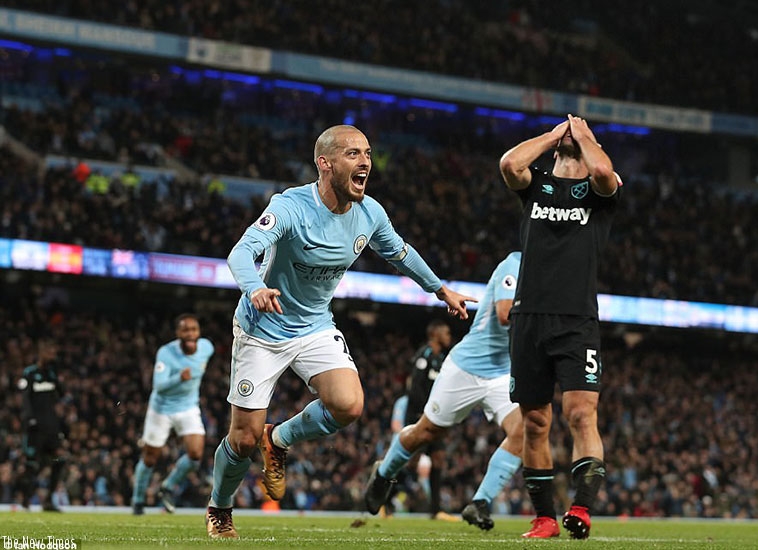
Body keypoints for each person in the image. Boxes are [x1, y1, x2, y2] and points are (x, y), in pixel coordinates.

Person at [206, 124, 475, 539]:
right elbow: (242, 251)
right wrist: (255, 287)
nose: (365, 161)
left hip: (315, 325)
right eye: (353, 154)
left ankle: (278, 439)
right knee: (241, 439)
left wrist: (440, 289)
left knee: (349, 405)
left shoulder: (370, 213)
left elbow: (401, 253)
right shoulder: (291, 206)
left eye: (367, 153)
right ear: (324, 164)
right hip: (263, 326)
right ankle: (220, 509)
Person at [499, 114, 621, 539]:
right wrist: (553, 136)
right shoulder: (535, 186)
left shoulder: (600, 193)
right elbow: (509, 165)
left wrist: (585, 137)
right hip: (529, 316)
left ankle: (582, 508)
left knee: (581, 413)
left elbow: (604, 171)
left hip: (576, 320)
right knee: (534, 421)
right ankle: (545, 518)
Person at [365, 251, 524, 532]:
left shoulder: (549, 277)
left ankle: (481, 502)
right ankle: (383, 473)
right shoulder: (515, 264)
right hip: (467, 366)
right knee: (425, 432)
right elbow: (504, 314)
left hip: (502, 373)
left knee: (524, 432)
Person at [132, 313, 214, 515]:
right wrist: (179, 377)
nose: (190, 334)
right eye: (185, 330)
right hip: (161, 409)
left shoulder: (206, 347)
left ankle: (167, 486)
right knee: (150, 458)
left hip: (188, 407)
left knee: (195, 454)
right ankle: (138, 500)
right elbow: (158, 386)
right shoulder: (166, 353)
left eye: (193, 329)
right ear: (178, 333)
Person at [385, 319, 456, 520]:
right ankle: (386, 500)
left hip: (435, 418)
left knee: (439, 458)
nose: (449, 336)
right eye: (446, 332)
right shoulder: (423, 356)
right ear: (435, 334)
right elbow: (414, 389)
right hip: (419, 418)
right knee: (410, 462)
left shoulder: (441, 359)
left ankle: (436, 510)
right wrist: (420, 415)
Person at [18, 338, 65, 511]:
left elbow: (61, 394)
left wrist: (56, 375)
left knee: (59, 460)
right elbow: (24, 399)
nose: (53, 355)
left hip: (51, 428)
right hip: (35, 428)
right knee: (31, 465)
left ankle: (47, 500)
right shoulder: (29, 373)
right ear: (41, 353)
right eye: (50, 352)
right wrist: (29, 420)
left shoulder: (51, 374)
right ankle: (25, 499)